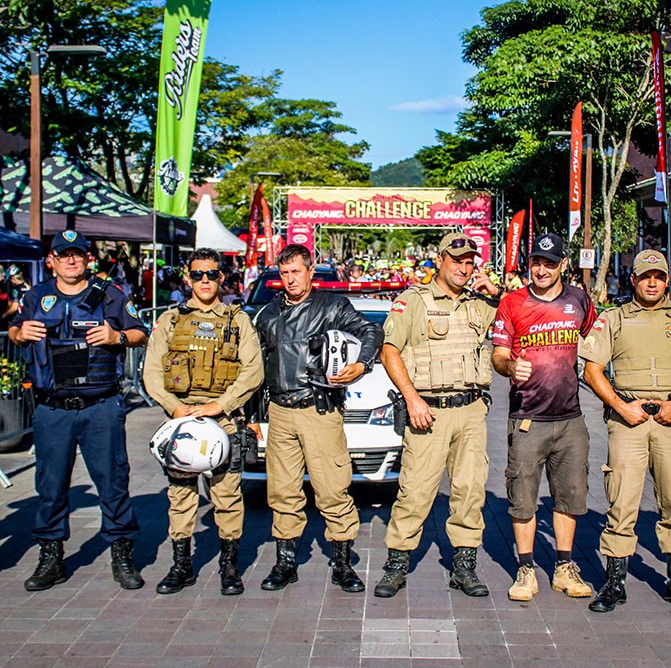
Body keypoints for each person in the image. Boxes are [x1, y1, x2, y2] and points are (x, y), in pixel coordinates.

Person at [8, 230, 149, 591]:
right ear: (50, 261)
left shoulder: (110, 295)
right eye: (63, 254)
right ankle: (50, 557)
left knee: (112, 483)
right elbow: (13, 330)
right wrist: (19, 332)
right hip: (53, 408)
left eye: (77, 254)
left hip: (99, 406)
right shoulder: (36, 296)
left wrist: (115, 337)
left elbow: (140, 333)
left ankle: (122, 554)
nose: (71, 260)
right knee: (50, 487)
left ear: (88, 258)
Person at [579, 249, 671, 612]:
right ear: (633, 279)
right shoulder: (615, 319)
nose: (652, 282)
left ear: (667, 280)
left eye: (659, 276)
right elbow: (592, 370)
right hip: (629, 422)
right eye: (645, 276)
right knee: (621, 501)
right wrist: (622, 407)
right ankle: (614, 581)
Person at [373, 232, 500, 598]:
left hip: (472, 411)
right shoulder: (413, 301)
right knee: (415, 491)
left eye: (470, 261)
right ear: (440, 261)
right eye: (457, 260)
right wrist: (411, 398)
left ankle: (464, 566)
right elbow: (390, 351)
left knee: (470, 491)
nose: (464, 267)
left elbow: (518, 315)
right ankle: (396, 564)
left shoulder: (479, 305)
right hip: (428, 412)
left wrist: (496, 293)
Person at [252, 244, 383, 593]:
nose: (291, 279)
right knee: (281, 491)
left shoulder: (332, 307)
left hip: (319, 409)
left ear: (311, 272)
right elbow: (255, 369)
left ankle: (342, 563)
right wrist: (248, 415)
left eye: (297, 271)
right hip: (280, 413)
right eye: (285, 273)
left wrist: (361, 364)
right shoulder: (266, 316)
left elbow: (372, 331)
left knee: (331, 488)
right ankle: (285, 562)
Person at [143, 249, 264, 595]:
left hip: (224, 418)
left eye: (211, 274)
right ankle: (181, 564)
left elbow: (253, 371)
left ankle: (229, 566)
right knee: (181, 493)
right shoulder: (170, 321)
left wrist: (221, 405)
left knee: (227, 494)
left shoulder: (238, 321)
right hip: (181, 417)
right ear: (188, 278)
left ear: (222, 278)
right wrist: (173, 406)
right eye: (198, 274)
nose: (205, 280)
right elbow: (152, 371)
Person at [491, 234, 598, 602]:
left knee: (570, 495)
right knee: (522, 497)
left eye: (549, 263)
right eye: (536, 262)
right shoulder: (512, 302)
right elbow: (498, 354)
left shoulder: (579, 300)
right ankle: (525, 570)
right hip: (527, 418)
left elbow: (593, 339)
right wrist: (509, 366)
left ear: (563, 265)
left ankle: (564, 567)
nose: (541, 270)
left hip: (570, 417)